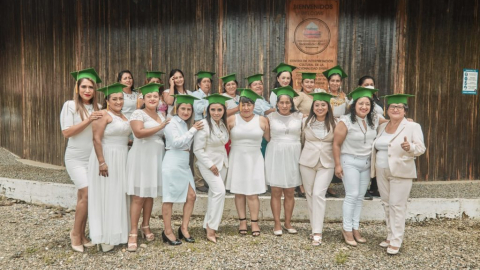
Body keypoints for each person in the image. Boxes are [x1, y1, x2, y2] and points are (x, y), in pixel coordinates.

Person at [333, 87, 388, 247]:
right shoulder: (345, 121)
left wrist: (408, 121)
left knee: (360, 196)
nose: (364, 107)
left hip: (366, 163)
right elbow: (336, 144)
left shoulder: (375, 119)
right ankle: (347, 229)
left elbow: (392, 122)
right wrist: (337, 165)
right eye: (361, 104)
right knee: (352, 194)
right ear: (354, 105)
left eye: (367, 104)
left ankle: (355, 228)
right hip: (349, 161)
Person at [371, 94, 425, 255]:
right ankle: (390, 235)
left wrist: (410, 148)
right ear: (387, 110)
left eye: (399, 107)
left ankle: (396, 240)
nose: (395, 109)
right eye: (392, 106)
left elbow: (421, 148)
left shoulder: (412, 126)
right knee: (387, 204)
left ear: (405, 111)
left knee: (397, 205)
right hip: (381, 170)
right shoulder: (382, 127)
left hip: (401, 171)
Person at [61, 68, 103, 253]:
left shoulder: (99, 108)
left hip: (92, 159)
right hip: (75, 158)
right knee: (86, 194)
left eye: (91, 87)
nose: (87, 90)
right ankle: (75, 234)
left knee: (84, 198)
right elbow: (67, 132)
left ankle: (83, 234)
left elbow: (101, 135)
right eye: (84, 87)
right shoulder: (69, 105)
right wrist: (88, 120)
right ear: (77, 88)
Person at [125, 83, 170, 252]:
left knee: (150, 194)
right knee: (139, 195)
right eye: (149, 96)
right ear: (143, 99)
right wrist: (162, 126)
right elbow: (138, 133)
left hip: (156, 157)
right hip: (141, 157)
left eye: (155, 96)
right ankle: (133, 232)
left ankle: (146, 225)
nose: (152, 99)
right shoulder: (138, 113)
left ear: (159, 99)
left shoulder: (160, 114)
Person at [88, 82, 132, 253]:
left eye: (121, 98)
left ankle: (118, 232)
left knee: (119, 193)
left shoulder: (123, 116)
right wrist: (101, 161)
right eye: (114, 98)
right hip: (107, 157)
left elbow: (122, 136)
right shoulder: (102, 115)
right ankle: (105, 236)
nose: (118, 101)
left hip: (122, 156)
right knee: (107, 193)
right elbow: (96, 139)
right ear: (107, 100)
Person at [226, 89, 270, 237]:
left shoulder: (262, 120)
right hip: (237, 157)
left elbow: (270, 139)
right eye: (243, 105)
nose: (246, 108)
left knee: (252, 193)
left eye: (249, 105)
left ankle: (255, 222)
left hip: (254, 158)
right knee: (239, 192)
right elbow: (223, 138)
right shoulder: (232, 119)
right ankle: (242, 221)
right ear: (239, 105)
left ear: (254, 105)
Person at [161, 95, 204, 246]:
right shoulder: (171, 122)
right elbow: (176, 143)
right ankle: (167, 231)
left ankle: (184, 228)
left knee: (191, 196)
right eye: (183, 108)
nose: (186, 112)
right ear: (177, 109)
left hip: (185, 163)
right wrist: (193, 130)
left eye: (189, 109)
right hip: (172, 160)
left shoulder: (187, 124)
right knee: (169, 197)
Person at [299, 92, 336, 246]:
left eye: (323, 105)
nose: (320, 107)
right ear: (313, 107)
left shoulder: (337, 123)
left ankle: (317, 232)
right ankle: (314, 228)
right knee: (309, 195)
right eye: (317, 105)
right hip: (307, 161)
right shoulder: (304, 122)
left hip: (327, 163)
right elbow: (301, 142)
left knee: (318, 194)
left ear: (328, 107)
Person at [265, 86, 302, 236]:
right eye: (282, 102)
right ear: (277, 103)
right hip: (276, 153)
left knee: (290, 191)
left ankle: (288, 222)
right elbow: (267, 136)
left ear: (291, 103)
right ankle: (277, 223)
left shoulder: (299, 117)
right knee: (276, 190)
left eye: (287, 102)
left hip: (293, 153)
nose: (285, 105)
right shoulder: (270, 117)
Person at [193, 94, 231, 243]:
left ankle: (207, 224)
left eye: (219, 110)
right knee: (219, 192)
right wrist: (210, 165)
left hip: (222, 163)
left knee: (213, 194)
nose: (216, 112)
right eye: (213, 109)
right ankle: (211, 229)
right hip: (208, 165)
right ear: (208, 110)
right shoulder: (203, 124)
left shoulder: (222, 124)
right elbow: (197, 149)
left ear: (223, 110)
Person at [320, 65, 350, 198]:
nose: (335, 83)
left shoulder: (345, 97)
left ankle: (331, 184)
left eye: (338, 81)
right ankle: (323, 186)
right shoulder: (323, 95)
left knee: (335, 154)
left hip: (340, 127)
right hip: (327, 125)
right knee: (325, 153)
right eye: (332, 80)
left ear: (341, 82)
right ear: (328, 82)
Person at [357, 75, 384, 200]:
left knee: (374, 160)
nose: (369, 86)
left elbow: (382, 119)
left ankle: (374, 187)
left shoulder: (376, 101)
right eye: (366, 84)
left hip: (376, 134)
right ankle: (361, 189)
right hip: (361, 135)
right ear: (360, 87)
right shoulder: (356, 101)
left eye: (371, 84)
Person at [191, 71, 216, 193]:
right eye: (204, 82)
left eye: (209, 81)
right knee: (198, 152)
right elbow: (198, 108)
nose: (207, 84)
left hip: (208, 125)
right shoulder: (195, 94)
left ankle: (206, 180)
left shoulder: (210, 95)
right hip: (199, 124)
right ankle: (199, 181)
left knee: (207, 152)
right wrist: (209, 105)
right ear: (199, 84)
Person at [246, 74, 274, 158]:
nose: (258, 86)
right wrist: (277, 109)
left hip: (265, 132)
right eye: (255, 84)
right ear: (250, 87)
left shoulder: (262, 99)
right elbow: (265, 112)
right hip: (257, 132)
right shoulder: (250, 99)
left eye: (260, 84)